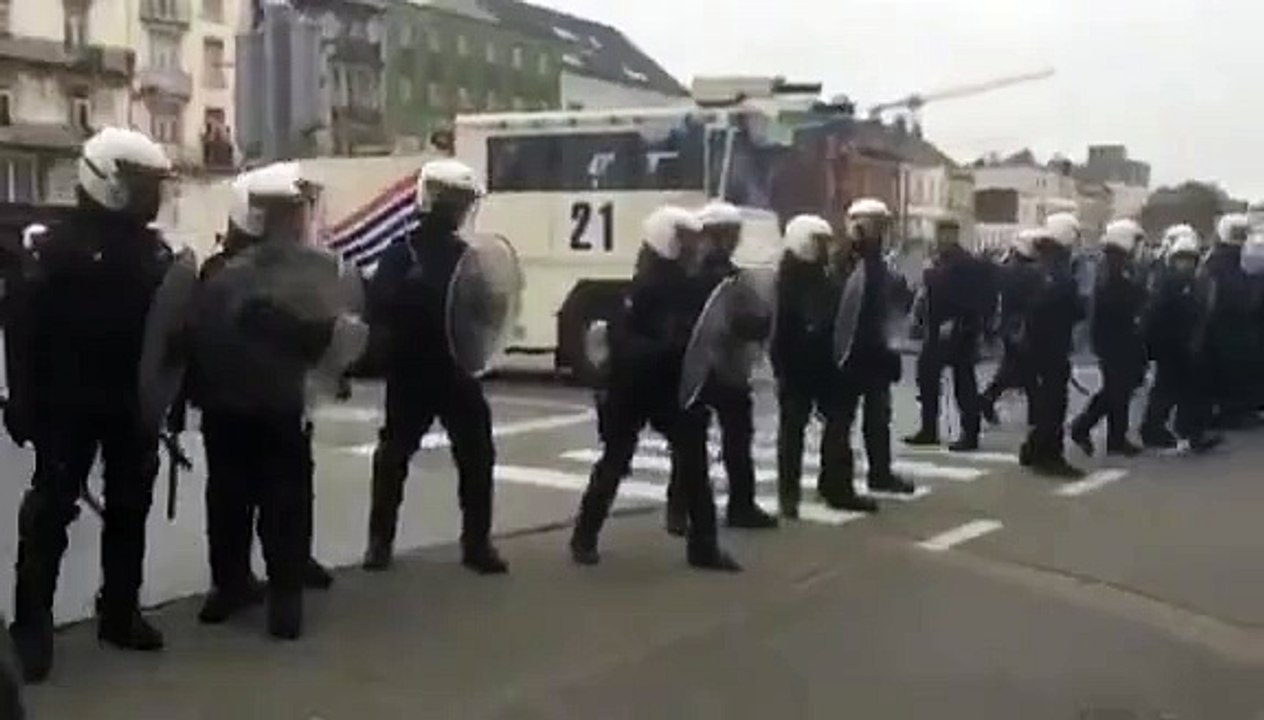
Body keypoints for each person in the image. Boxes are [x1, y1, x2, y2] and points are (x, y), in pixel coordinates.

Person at [4, 128, 173, 682]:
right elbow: (21, 328)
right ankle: (31, 625)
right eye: (140, 183)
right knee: (50, 511)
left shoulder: (155, 251)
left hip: (127, 402)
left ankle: (120, 612)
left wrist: (166, 398)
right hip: (66, 403)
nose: (151, 196)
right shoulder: (54, 247)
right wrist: (24, 400)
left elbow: (168, 334)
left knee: (130, 506)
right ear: (107, 181)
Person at [190, 161, 350, 640]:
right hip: (243, 404)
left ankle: (278, 588)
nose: (296, 222)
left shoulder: (297, 269)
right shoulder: (226, 273)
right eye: (286, 214)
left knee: (269, 498)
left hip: (266, 404)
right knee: (245, 499)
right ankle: (240, 585)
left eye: (295, 212)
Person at [570, 206, 741, 571]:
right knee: (616, 461)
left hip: (668, 385)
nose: (692, 246)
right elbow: (623, 340)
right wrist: (669, 347)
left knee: (693, 460)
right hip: (633, 387)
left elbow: (706, 321)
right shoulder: (644, 284)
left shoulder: (685, 280)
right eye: (684, 238)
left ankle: (704, 546)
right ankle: (584, 535)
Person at [362, 159, 507, 575]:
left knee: (476, 454)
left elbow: (486, 311)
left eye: (461, 201)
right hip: (413, 368)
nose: (457, 209)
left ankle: (477, 543)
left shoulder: (468, 258)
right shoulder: (400, 254)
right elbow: (379, 308)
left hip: (456, 367)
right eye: (452, 200)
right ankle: (380, 541)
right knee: (394, 456)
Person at [664, 201, 778, 532]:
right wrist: (757, 323)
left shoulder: (696, 273)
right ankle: (735, 507)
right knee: (726, 439)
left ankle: (682, 509)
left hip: (712, 366)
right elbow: (733, 320)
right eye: (729, 234)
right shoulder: (718, 277)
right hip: (717, 367)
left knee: (706, 441)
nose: (733, 240)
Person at [772, 214, 881, 516]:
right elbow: (781, 331)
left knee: (838, 426)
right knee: (792, 433)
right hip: (796, 368)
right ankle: (788, 495)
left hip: (826, 366)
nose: (822, 248)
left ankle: (836, 486)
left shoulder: (824, 278)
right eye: (817, 242)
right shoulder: (786, 281)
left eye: (824, 242)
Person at [835, 199, 915, 495]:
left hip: (876, 352)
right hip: (852, 351)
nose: (880, 232)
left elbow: (895, 305)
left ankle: (879, 472)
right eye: (876, 225)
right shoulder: (844, 262)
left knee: (878, 417)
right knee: (841, 420)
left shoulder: (882, 264)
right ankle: (838, 479)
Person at [904, 218, 991, 451]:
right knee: (930, 378)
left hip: (958, 328)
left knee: (962, 383)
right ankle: (930, 428)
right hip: (940, 328)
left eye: (946, 235)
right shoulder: (944, 261)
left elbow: (943, 286)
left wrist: (929, 274)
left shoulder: (963, 263)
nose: (942, 240)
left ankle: (967, 433)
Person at [1069, 219, 1148, 457]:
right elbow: (1115, 300)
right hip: (1114, 337)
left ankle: (1116, 438)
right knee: (1116, 389)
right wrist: (1139, 294)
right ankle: (1083, 426)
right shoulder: (1112, 267)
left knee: (1120, 389)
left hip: (1117, 336)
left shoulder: (1116, 264)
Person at [1139, 229, 1221, 453]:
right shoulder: (1167, 284)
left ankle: (1187, 432)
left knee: (1186, 392)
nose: (1185, 265)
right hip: (1172, 346)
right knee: (1167, 391)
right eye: (1181, 260)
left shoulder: (1196, 283)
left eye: (1189, 260)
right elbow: (1155, 317)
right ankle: (1156, 430)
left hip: (1187, 346)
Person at [1018, 212, 1086, 478]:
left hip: (1037, 343)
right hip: (1051, 344)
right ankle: (1050, 455)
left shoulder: (1041, 265)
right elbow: (1070, 306)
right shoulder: (1058, 271)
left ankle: (1034, 448)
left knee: (1047, 400)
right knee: (1054, 403)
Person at [1199, 213, 1259, 429]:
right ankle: (1230, 412)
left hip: (1224, 326)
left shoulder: (1215, 260)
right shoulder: (1230, 262)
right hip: (1227, 326)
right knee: (1230, 372)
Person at [978, 229, 1043, 427]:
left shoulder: (1008, 268)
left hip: (1010, 327)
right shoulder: (1029, 272)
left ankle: (988, 399)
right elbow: (1034, 301)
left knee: (1017, 372)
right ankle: (1034, 418)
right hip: (1022, 328)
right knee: (1027, 375)